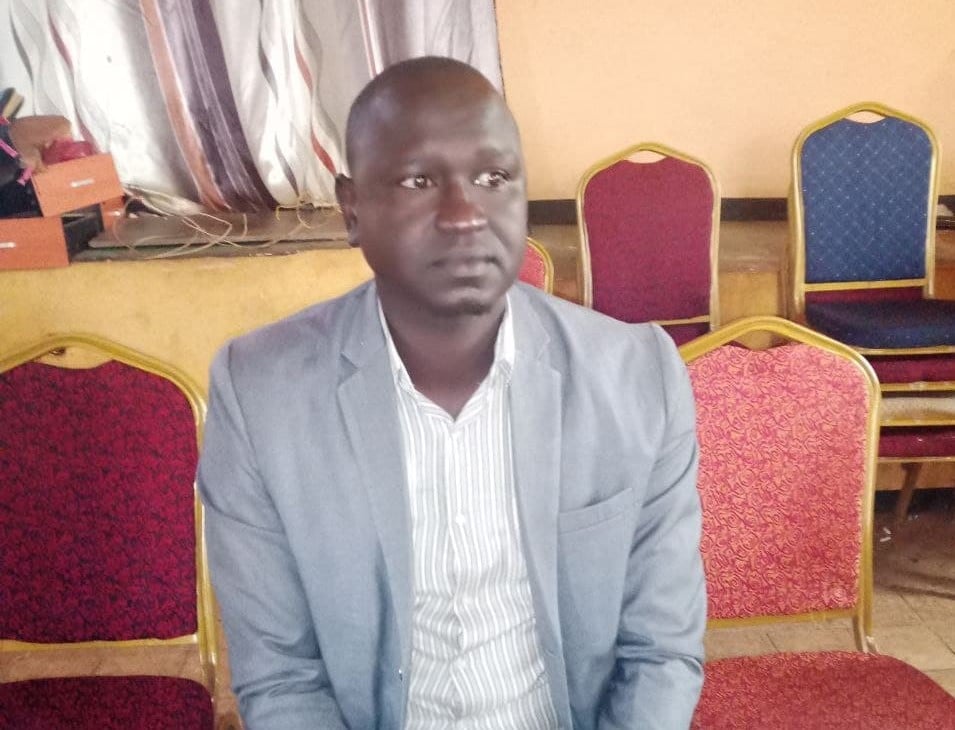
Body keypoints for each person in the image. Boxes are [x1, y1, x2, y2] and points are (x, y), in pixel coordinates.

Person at [198, 56, 705, 730]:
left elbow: (661, 652)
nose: (465, 215)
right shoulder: (260, 393)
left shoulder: (635, 376)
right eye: (418, 180)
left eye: (493, 178)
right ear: (352, 209)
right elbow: (281, 676)